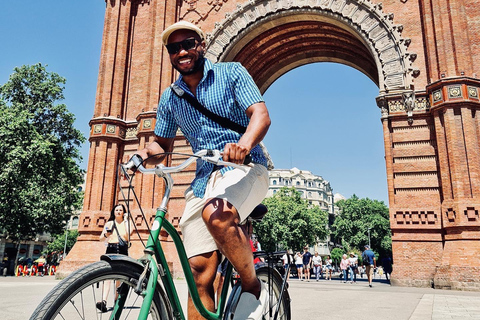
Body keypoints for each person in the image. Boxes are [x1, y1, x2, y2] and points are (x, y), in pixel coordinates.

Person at [134, 20, 271, 320]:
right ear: (169, 54)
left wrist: (243, 145)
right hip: (202, 181)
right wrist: (143, 155)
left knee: (217, 214)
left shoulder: (231, 73)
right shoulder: (171, 97)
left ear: (202, 45)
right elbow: (161, 145)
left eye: (188, 44)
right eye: (174, 48)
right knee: (198, 275)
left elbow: (260, 115)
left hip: (246, 169)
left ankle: (251, 284)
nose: (182, 52)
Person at [96, 204, 132, 312]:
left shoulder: (127, 223)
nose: (118, 212)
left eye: (121, 210)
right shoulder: (109, 223)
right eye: (117, 210)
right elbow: (101, 238)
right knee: (107, 277)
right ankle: (103, 301)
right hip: (111, 249)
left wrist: (126, 219)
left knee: (119, 278)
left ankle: (117, 301)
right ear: (113, 212)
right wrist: (107, 234)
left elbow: (129, 234)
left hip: (122, 250)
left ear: (123, 212)